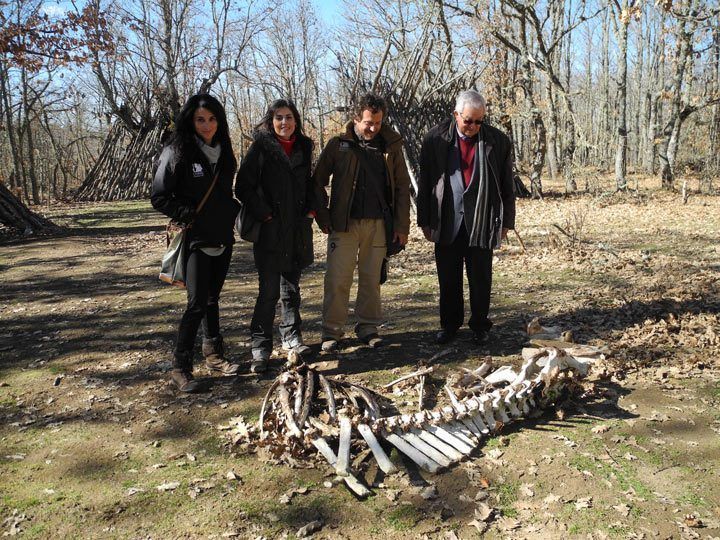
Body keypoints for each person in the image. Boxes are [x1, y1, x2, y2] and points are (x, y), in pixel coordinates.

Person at [151, 94, 241, 392]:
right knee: (196, 303)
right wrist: (184, 213)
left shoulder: (225, 149)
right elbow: (159, 195)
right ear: (191, 120)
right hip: (194, 237)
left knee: (213, 298)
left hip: (222, 234)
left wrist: (233, 211)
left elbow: (226, 190)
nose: (207, 125)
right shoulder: (177, 150)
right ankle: (180, 367)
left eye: (212, 119)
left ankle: (214, 355)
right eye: (201, 119)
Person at [313, 93, 411, 351]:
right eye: (368, 122)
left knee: (371, 279)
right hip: (343, 225)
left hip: (378, 224)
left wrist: (402, 227)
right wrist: (323, 217)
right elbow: (316, 182)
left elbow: (402, 187)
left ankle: (368, 328)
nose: (373, 128)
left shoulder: (391, 146)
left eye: (377, 123)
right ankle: (332, 332)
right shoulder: (338, 145)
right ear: (355, 118)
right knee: (337, 279)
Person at [417, 89, 516, 345]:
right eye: (467, 120)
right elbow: (425, 182)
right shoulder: (435, 139)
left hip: (482, 219)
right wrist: (424, 220)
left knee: (481, 277)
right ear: (456, 114)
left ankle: (480, 326)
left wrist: (507, 222)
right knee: (448, 278)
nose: (472, 126)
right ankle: (449, 326)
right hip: (447, 219)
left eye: (478, 121)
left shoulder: (498, 141)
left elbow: (507, 185)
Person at [235, 99, 315, 373]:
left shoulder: (305, 147)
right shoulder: (260, 148)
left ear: (296, 120)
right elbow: (242, 187)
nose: (284, 122)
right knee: (268, 292)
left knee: (291, 290)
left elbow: (310, 183)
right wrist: (265, 214)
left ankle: (292, 338)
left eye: (289, 117)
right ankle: (261, 348)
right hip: (270, 229)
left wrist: (311, 210)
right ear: (271, 121)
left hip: (296, 229)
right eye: (279, 117)